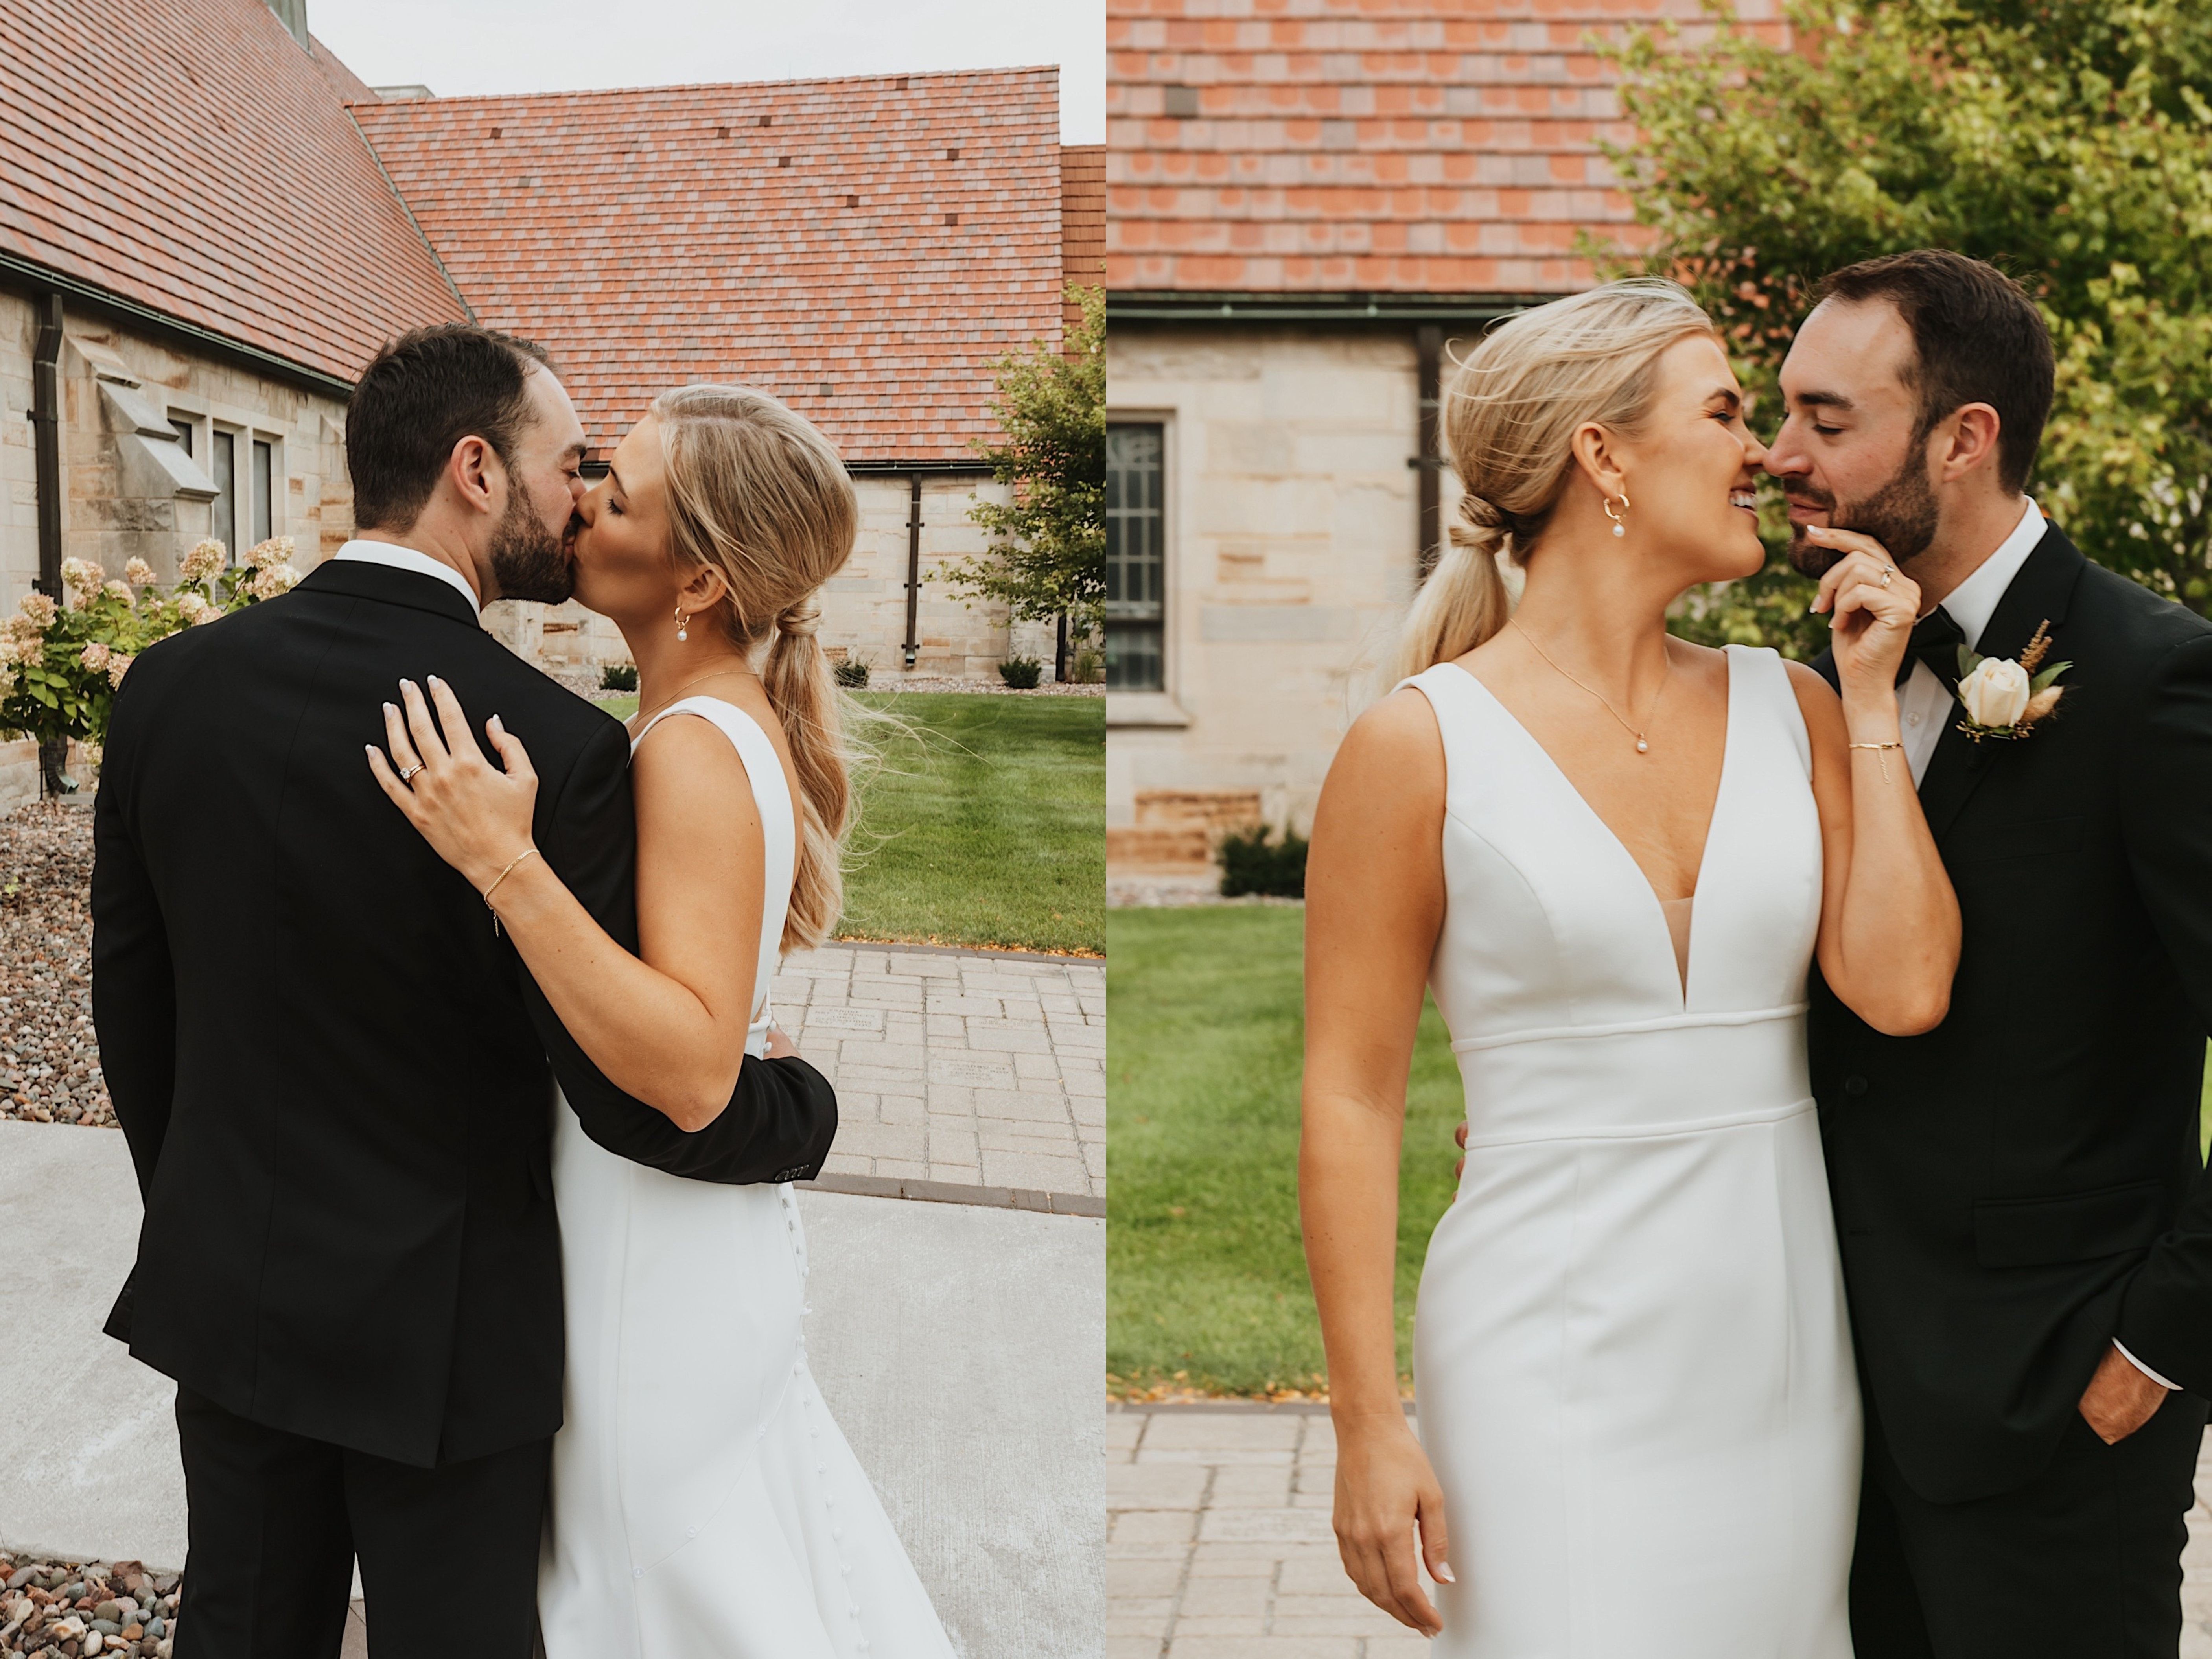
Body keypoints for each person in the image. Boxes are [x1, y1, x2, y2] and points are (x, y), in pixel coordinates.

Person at [91, 324, 837, 1659]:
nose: (581, 500)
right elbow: (639, 1091)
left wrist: (211, 1211)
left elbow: (134, 1011)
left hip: (235, 1287)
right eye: (570, 466)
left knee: (239, 1629)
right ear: (478, 471)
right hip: (449, 1336)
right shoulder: (554, 750)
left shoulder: (168, 689)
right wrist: (798, 1109)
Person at [1300, 277, 1961, 1653]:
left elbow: (1902, 989)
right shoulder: (1416, 747)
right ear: (1600, 454)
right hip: (1538, 1354)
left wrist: (1868, 705)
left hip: (1779, 1358)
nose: (1764, 454)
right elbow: (1349, 1100)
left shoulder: (1794, 706)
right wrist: (1368, 1420)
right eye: (1725, 412)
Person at [370, 383, 956, 1657]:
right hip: (679, 1237)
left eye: (616, 495)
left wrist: (503, 862)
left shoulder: (689, 743)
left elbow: (690, 1068)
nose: (577, 501)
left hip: (653, 1259)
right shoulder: (710, 716)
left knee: (653, 1589)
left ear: (695, 581)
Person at [1779, 250, 2212, 1659]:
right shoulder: (1828, 666)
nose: (1779, 455)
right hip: (1821, 1407)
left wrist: (2155, 1344)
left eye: (1825, 421)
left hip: (2053, 1410)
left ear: (1962, 440)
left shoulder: (2152, 677)